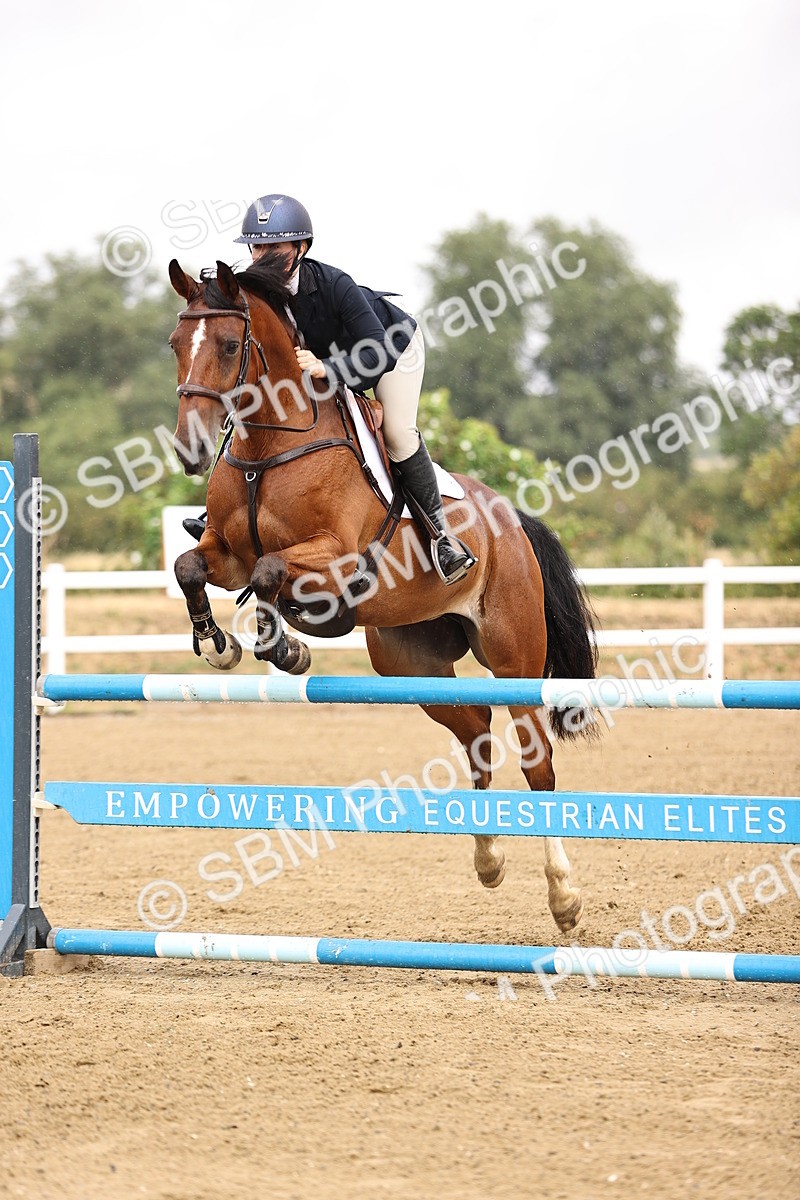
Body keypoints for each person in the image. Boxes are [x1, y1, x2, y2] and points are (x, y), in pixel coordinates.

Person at [183, 193, 476, 585]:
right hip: (317, 362)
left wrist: (329, 367)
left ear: (302, 247)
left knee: (397, 432)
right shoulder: (254, 295)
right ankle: (218, 516)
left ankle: (441, 536)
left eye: (277, 246)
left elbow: (377, 353)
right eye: (258, 246)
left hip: (388, 349)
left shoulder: (334, 285)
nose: (265, 255)